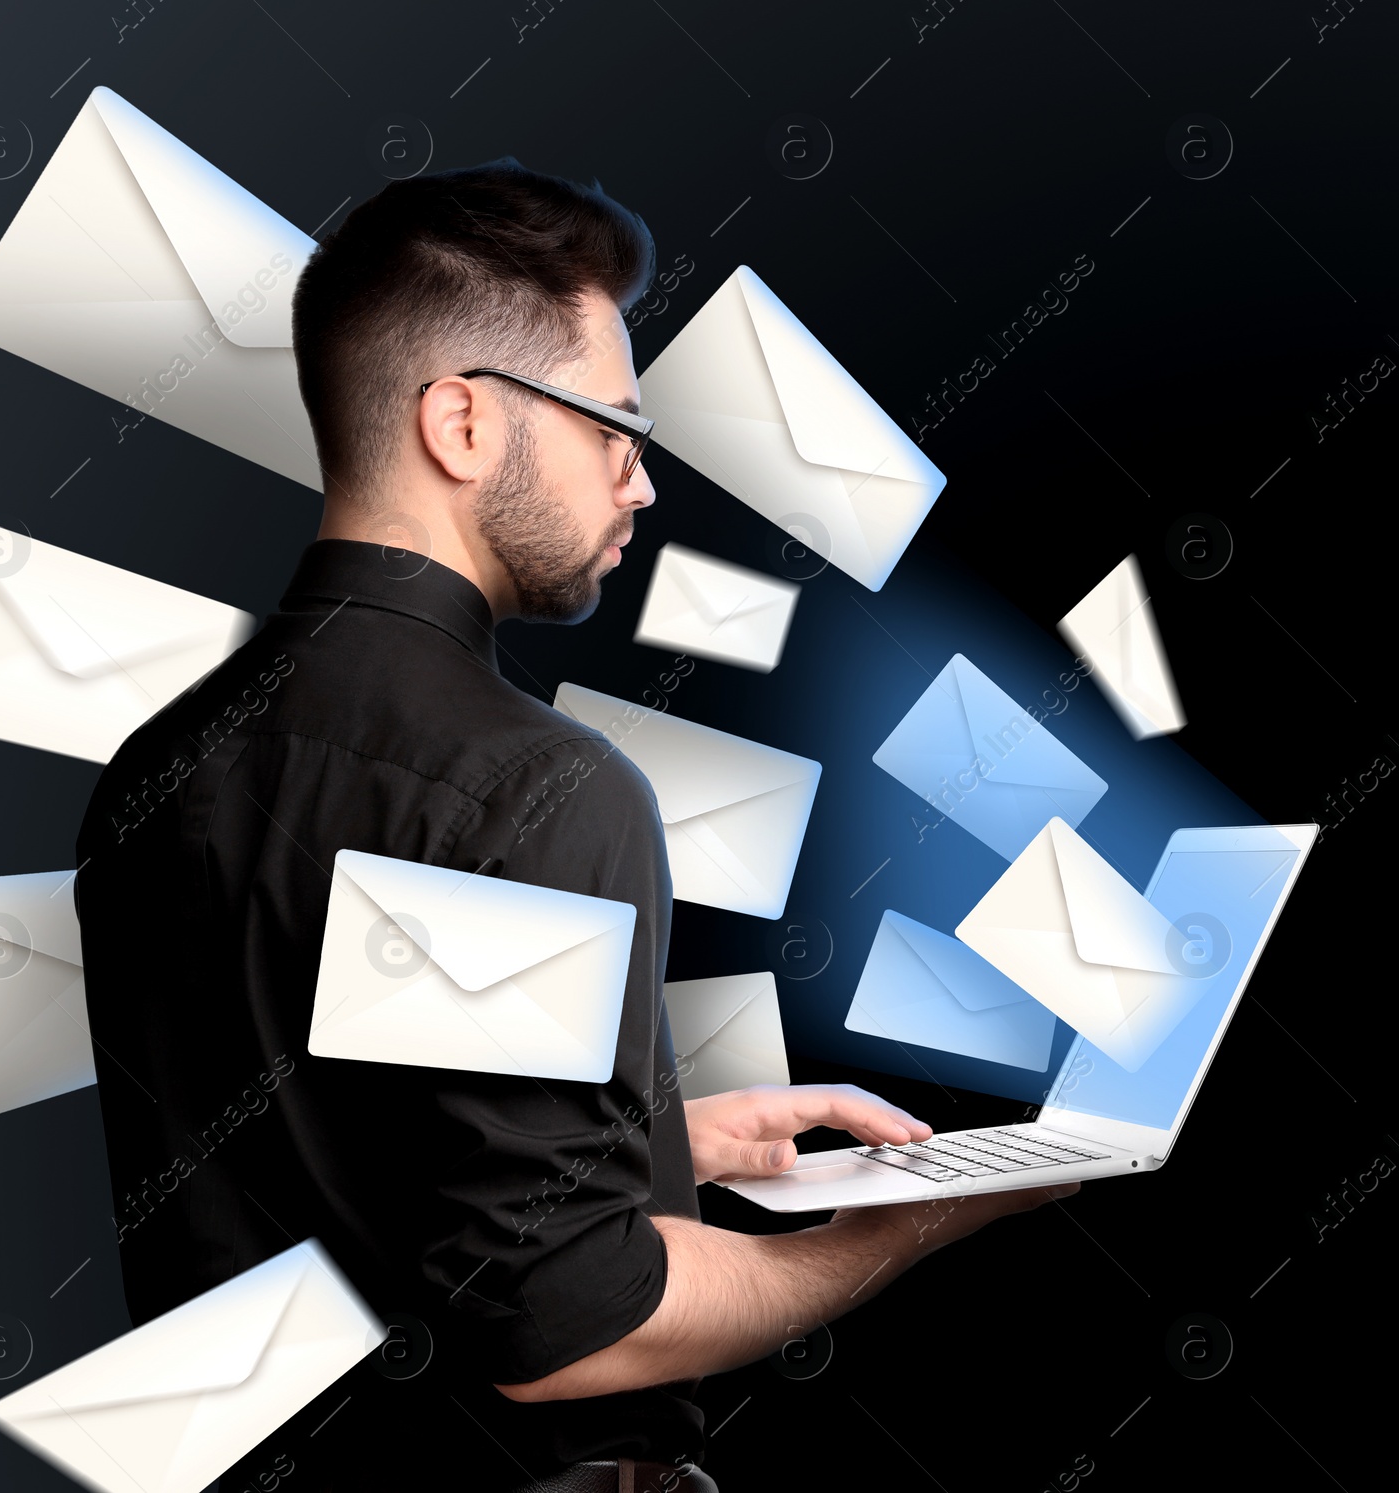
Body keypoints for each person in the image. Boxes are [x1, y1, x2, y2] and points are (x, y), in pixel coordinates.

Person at [74, 157, 1076, 1493]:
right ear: (464, 425)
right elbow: (563, 1327)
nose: (641, 483)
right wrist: (911, 1225)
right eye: (613, 427)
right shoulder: (541, 787)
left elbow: (324, 1131)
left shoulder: (149, 773)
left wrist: (660, 1134)